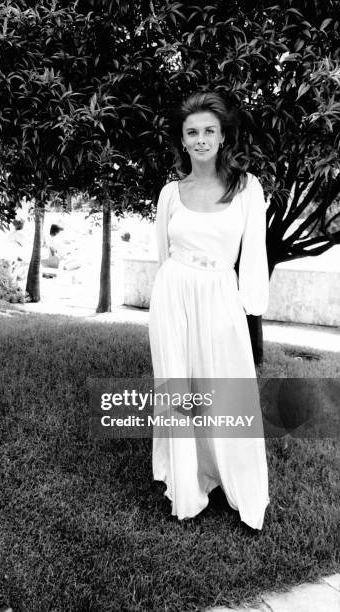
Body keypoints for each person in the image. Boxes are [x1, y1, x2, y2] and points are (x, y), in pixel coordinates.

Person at [148, 91, 270, 530]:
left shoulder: (246, 187)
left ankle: (234, 479)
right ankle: (186, 482)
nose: (201, 139)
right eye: (192, 132)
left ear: (223, 138)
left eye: (209, 131)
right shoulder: (169, 194)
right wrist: (168, 301)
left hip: (221, 293)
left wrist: (250, 306)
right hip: (173, 294)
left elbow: (253, 254)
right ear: (183, 141)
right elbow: (163, 255)